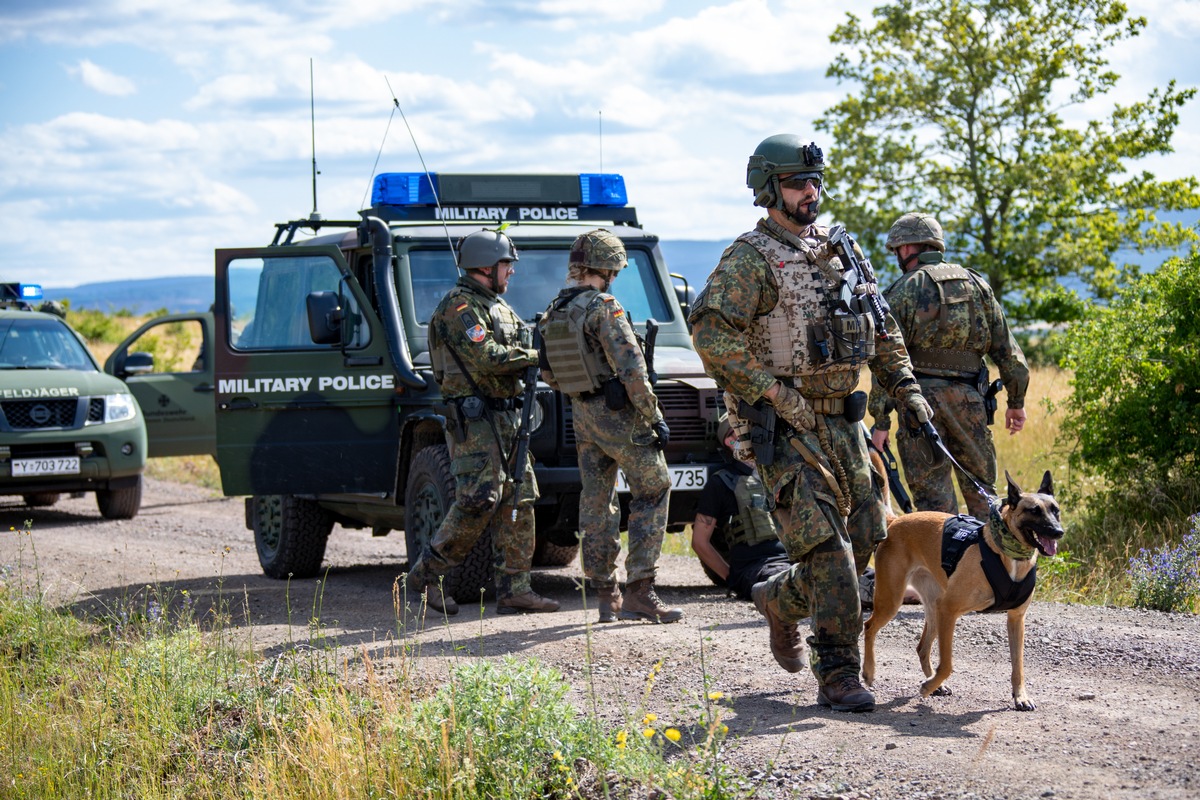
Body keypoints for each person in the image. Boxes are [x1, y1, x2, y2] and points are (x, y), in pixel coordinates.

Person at [689, 134, 932, 712]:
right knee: (828, 549)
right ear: (770, 188)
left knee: (871, 533)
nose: (811, 192)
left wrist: (908, 391)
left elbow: (882, 329)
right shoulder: (751, 258)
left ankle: (778, 599)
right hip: (786, 426)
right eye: (799, 183)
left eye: (816, 182)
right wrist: (770, 392)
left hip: (844, 423)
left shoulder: (838, 249)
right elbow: (710, 331)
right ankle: (839, 672)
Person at [406, 228, 559, 617]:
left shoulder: (498, 306)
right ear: (486, 266)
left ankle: (515, 589)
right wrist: (534, 356)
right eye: (507, 265)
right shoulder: (459, 307)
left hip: (508, 418)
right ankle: (426, 577)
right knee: (477, 502)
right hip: (476, 423)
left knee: (520, 500)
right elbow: (487, 356)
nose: (512, 272)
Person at [538, 229, 683, 624]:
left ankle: (607, 595)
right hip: (621, 417)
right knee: (654, 490)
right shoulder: (604, 308)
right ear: (607, 268)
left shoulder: (554, 311)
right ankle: (641, 590)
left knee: (597, 501)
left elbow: (549, 374)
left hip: (583, 417)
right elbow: (633, 370)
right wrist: (653, 415)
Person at [867, 213, 1029, 521]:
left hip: (919, 407)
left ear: (907, 249)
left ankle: (946, 566)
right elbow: (1009, 353)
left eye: (898, 249)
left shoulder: (902, 291)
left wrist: (880, 421)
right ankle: (994, 565)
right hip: (972, 402)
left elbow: (887, 362)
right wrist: (1016, 403)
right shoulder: (979, 286)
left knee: (934, 506)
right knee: (984, 495)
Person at [690, 416, 790, 601]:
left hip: (793, 561)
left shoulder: (777, 474)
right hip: (758, 568)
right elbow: (699, 542)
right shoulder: (721, 482)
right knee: (787, 584)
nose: (752, 432)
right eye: (744, 428)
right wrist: (731, 577)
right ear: (730, 441)